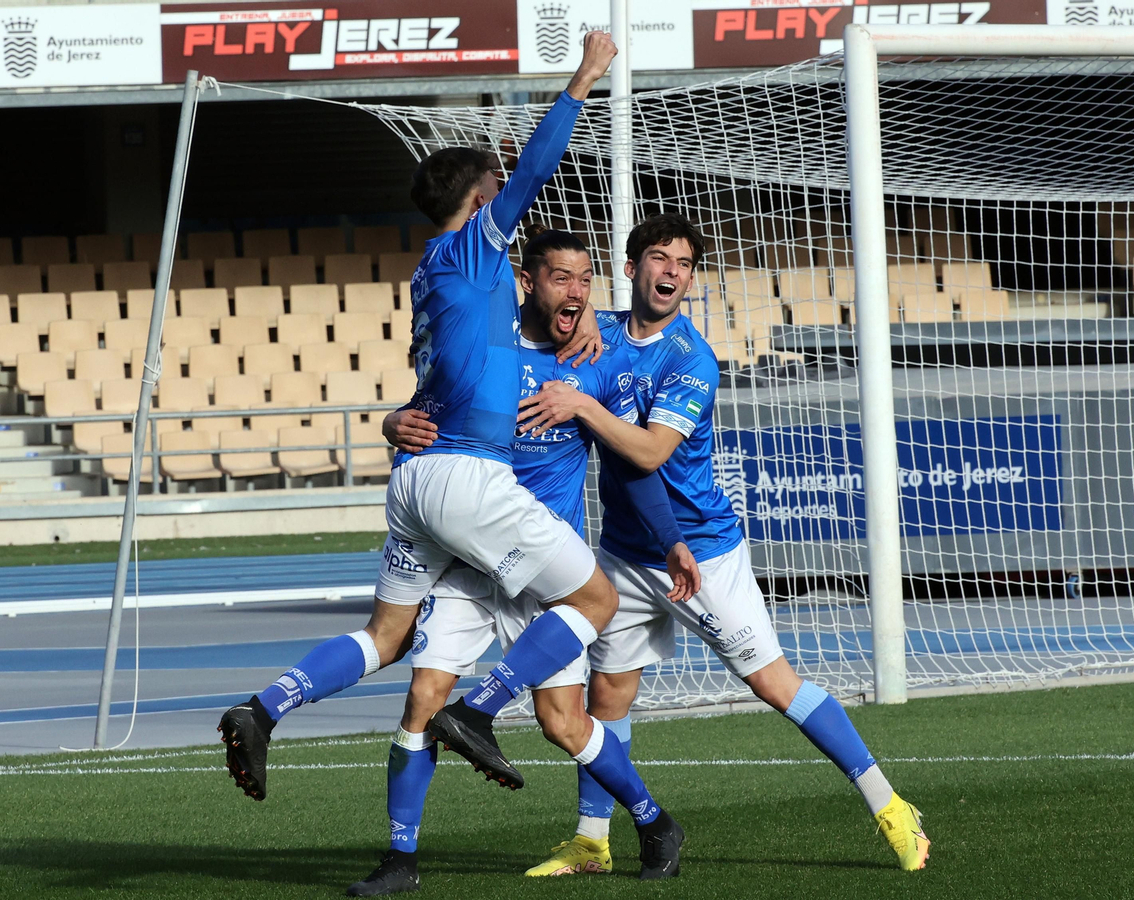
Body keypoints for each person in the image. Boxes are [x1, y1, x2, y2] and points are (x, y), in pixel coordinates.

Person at [216, 33, 685, 892]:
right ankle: (477, 717)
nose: (566, 288)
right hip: (477, 494)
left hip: (424, 493)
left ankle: (268, 708)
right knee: (597, 599)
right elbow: (537, 167)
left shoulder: (446, 285)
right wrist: (582, 79)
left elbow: (448, 374)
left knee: (396, 646)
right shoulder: (474, 251)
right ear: (485, 210)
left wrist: (401, 418)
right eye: (554, 273)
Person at [498, 212, 928, 873]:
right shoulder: (598, 331)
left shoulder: (691, 359)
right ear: (633, 266)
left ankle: (890, 805)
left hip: (702, 554)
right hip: (622, 554)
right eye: (661, 258)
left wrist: (583, 406)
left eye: (686, 264)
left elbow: (648, 451)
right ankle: (591, 841)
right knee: (605, 700)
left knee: (774, 685)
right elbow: (545, 325)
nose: (673, 271)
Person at [345, 227, 699, 894]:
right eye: (562, 278)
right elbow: (426, 413)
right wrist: (394, 423)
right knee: (423, 698)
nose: (576, 292)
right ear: (526, 283)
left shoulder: (595, 364)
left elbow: (634, 463)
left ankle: (655, 822)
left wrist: (670, 537)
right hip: (471, 563)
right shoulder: (486, 349)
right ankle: (400, 859)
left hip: (546, 570)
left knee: (562, 722)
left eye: (586, 280)